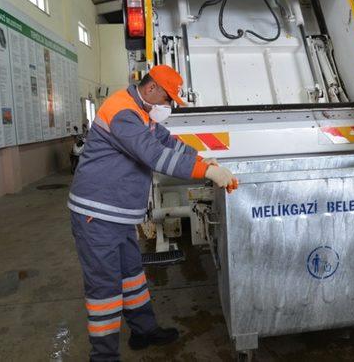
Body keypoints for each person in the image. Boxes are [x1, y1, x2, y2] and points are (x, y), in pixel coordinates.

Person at [68, 65, 237, 361]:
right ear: (151, 89)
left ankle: (144, 330)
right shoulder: (123, 112)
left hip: (117, 215)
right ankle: (104, 357)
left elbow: (168, 143)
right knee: (105, 290)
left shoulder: (141, 112)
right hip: (97, 216)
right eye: (167, 99)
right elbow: (155, 155)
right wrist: (206, 172)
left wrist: (202, 160)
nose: (168, 106)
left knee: (131, 276)